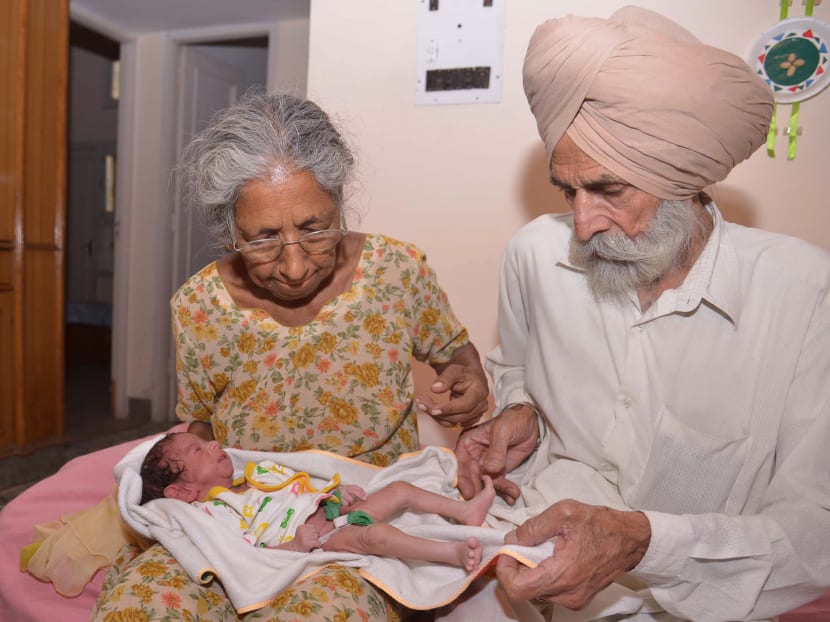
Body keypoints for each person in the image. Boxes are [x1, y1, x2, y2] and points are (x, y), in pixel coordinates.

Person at [454, 6, 830, 621]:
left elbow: (816, 533)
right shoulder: (533, 255)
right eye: (566, 191)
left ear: (681, 177)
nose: (582, 223)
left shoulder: (807, 294)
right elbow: (515, 369)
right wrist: (522, 412)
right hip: (519, 562)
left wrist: (643, 542)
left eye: (609, 190)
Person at [93, 92, 490, 621]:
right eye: (262, 240)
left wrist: (470, 383)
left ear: (340, 204)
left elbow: (458, 359)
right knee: (137, 609)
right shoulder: (197, 307)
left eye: (315, 229)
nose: (296, 267)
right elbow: (200, 427)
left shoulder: (397, 272)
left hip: (353, 522)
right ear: (228, 230)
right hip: (238, 517)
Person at [139, 432, 494, 572]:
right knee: (375, 536)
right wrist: (294, 545)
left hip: (335, 514)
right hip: (322, 539)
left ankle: (465, 510)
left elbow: (304, 487)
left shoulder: (257, 475)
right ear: (182, 492)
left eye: (208, 441)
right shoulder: (217, 512)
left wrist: (335, 497)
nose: (214, 445)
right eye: (198, 450)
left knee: (400, 488)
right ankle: (453, 554)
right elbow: (248, 556)